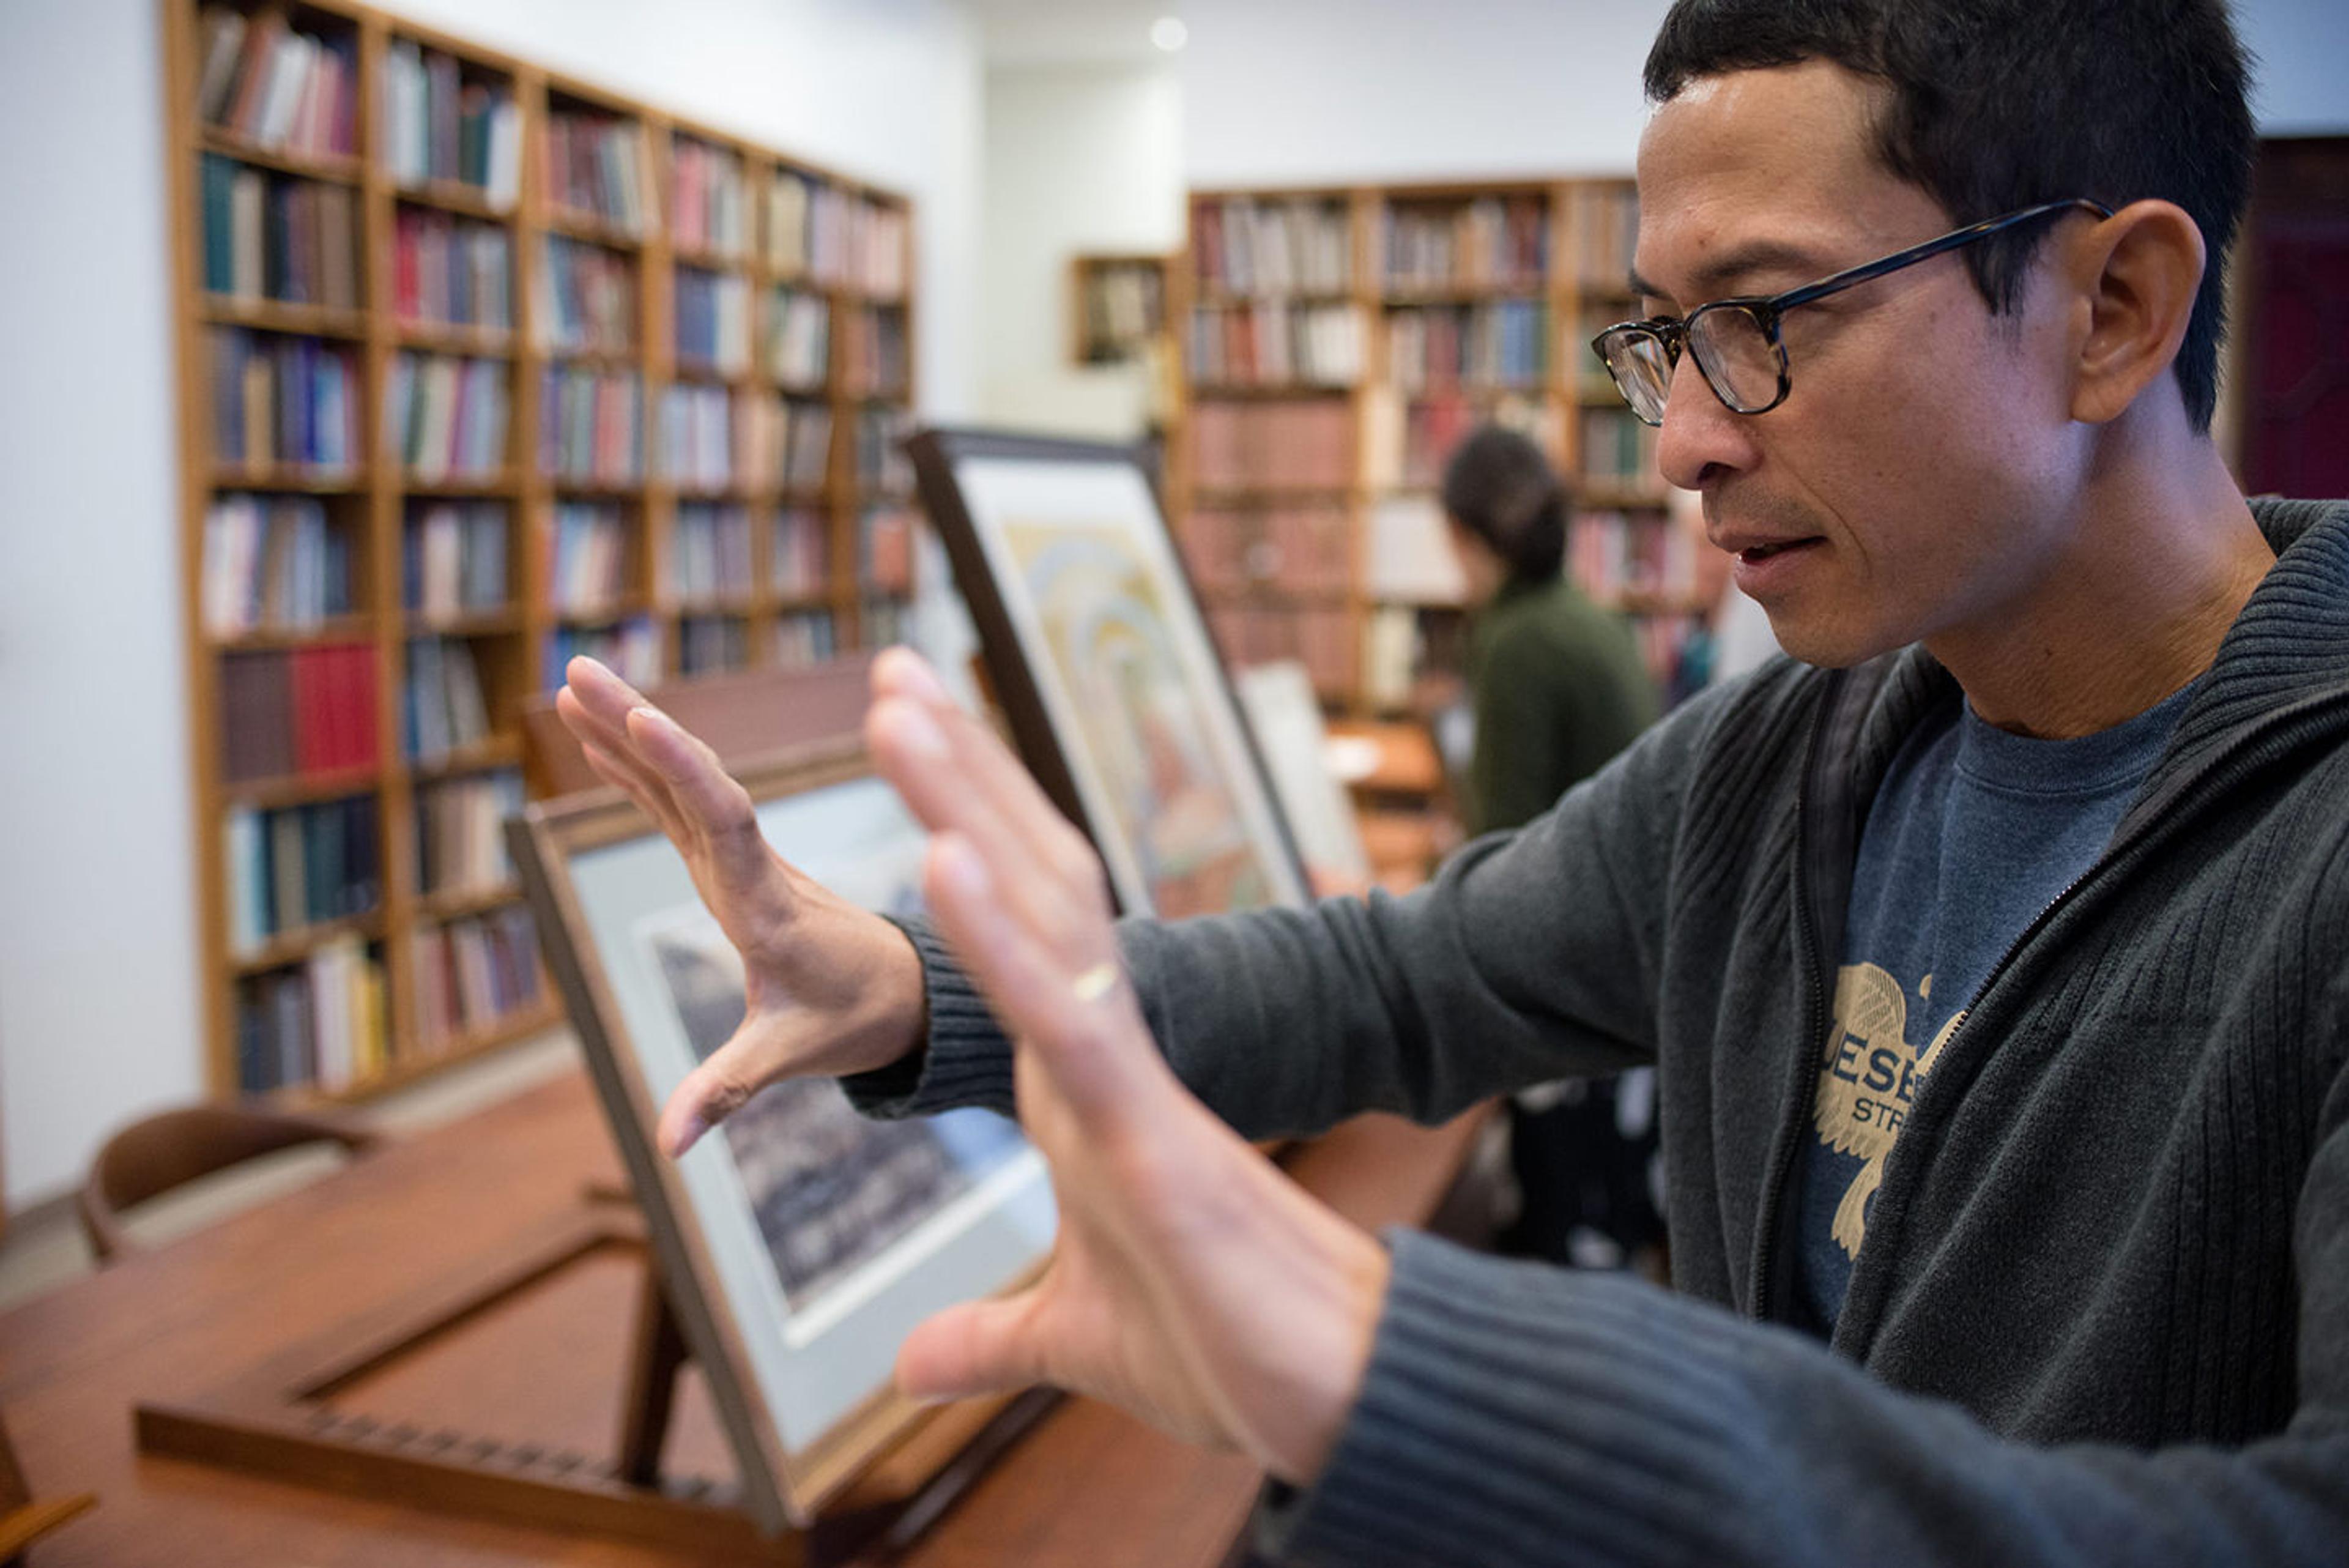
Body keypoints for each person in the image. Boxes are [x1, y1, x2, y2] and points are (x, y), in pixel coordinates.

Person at [555, 0, 2349, 1559]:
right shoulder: (1790, 757)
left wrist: (1401, 1359)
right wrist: (913, 991)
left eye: (1765, 317)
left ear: (2112, 306)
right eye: (1664, 337)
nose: (1684, 444)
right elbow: (1403, 973)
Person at [1439, 425, 1667, 1273]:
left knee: (1554, 1221)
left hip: (1577, 990)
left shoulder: (1516, 641)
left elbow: (1507, 849)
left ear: (1460, 536)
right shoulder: (1579, 615)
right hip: (1630, 972)